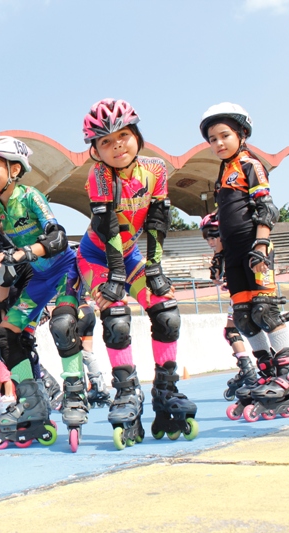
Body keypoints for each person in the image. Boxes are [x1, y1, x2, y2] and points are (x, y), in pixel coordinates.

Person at [78, 99, 198, 450]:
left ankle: (166, 390)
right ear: (96, 151)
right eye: (105, 141)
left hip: (130, 256)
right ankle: (127, 393)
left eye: (124, 135)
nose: (117, 145)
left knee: (167, 313)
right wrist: (115, 277)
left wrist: (156, 267)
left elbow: (159, 221)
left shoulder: (156, 169)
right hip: (97, 257)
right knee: (116, 319)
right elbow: (108, 224)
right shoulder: (98, 175)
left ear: (137, 135)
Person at [0, 135, 85, 451]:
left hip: (63, 271)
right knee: (6, 336)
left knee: (62, 326)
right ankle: (33, 402)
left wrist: (18, 255)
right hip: (39, 279)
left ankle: (75, 394)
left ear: (15, 169)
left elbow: (57, 238)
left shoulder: (31, 196)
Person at [200, 102, 289, 422]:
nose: (218, 143)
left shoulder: (251, 165)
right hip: (233, 255)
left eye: (224, 136)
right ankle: (266, 370)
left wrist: (261, 244)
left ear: (241, 134)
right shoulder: (223, 174)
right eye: (212, 139)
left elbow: (266, 207)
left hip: (254, 248)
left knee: (265, 310)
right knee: (245, 318)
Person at [199, 215, 257, 404]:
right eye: (207, 239)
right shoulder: (231, 249)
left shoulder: (228, 249)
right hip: (247, 291)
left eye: (212, 237)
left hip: (245, 292)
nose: (210, 242)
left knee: (235, 330)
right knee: (249, 326)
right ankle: (259, 366)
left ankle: (249, 371)